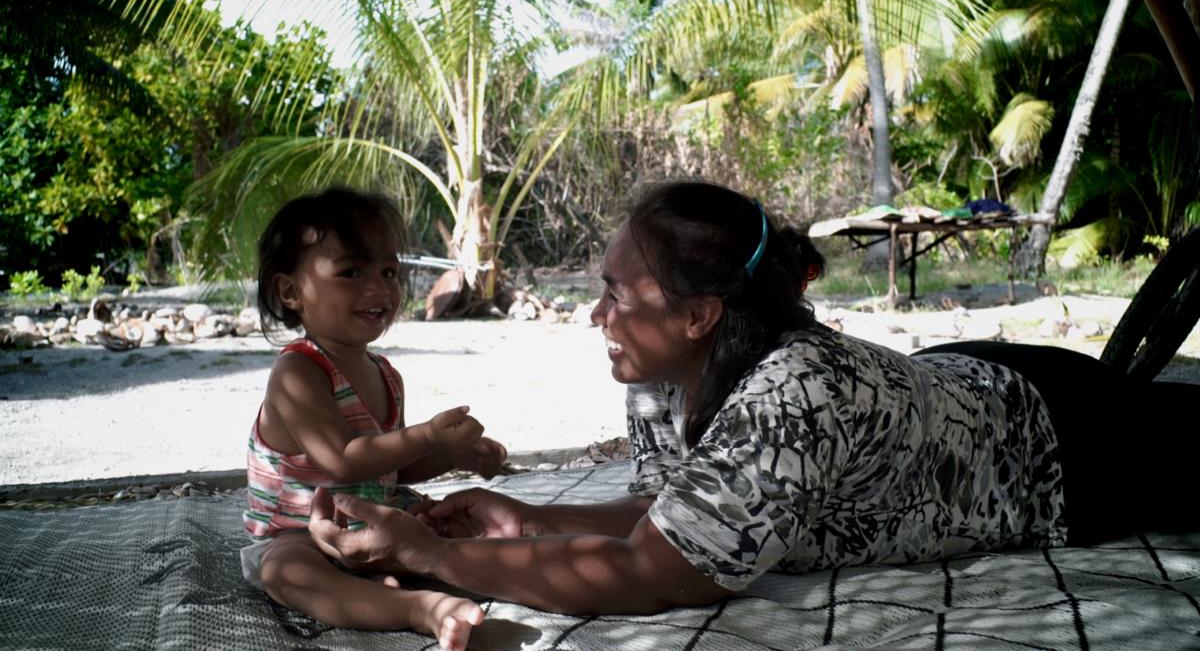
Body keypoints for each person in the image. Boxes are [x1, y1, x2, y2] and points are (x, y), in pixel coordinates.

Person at [308, 180, 1199, 615]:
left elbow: (653, 573)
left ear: (700, 314)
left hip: (1064, 441)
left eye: (617, 292)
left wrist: (426, 556)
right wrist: (523, 517)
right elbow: (677, 511)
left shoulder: (793, 397)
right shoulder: (663, 375)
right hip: (948, 383)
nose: (596, 314)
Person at [240, 187, 507, 650]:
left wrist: (451, 454)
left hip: (373, 523)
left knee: (451, 524)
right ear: (290, 291)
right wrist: (426, 433)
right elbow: (344, 460)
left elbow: (391, 467)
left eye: (389, 271)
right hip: (299, 532)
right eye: (351, 272)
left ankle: (389, 581)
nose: (379, 288)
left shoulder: (386, 374)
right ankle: (416, 608)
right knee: (286, 572)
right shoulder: (297, 372)